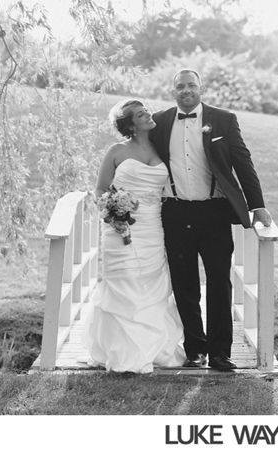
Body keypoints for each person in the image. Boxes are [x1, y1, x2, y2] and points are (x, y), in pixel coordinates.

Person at [149, 68, 272, 371]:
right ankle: (195, 349)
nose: (186, 91)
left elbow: (243, 163)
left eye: (192, 85)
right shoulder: (160, 122)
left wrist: (257, 205)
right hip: (176, 212)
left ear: (201, 88)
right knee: (184, 282)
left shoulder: (224, 120)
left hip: (215, 211)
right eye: (180, 86)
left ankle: (220, 352)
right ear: (173, 90)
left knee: (219, 281)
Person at [82, 99, 186, 373]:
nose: (147, 115)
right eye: (141, 114)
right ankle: (123, 352)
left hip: (153, 225)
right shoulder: (117, 151)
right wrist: (116, 208)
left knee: (152, 282)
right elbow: (101, 189)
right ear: (130, 125)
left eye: (146, 111)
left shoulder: (161, 147)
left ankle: (155, 349)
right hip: (121, 227)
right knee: (125, 282)